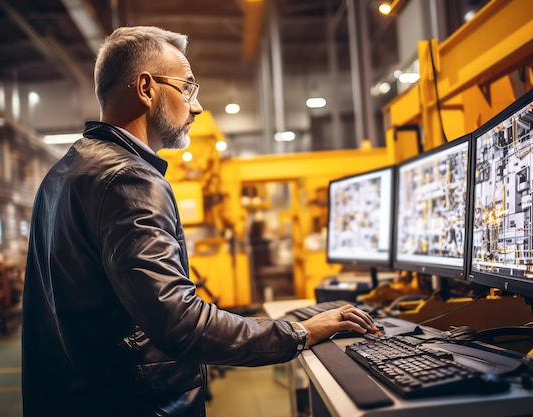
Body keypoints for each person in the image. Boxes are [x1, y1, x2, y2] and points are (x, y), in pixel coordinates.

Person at [21, 26, 379, 417]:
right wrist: (299, 332)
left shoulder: (64, 172)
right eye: (188, 88)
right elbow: (179, 321)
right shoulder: (129, 177)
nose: (196, 107)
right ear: (146, 88)